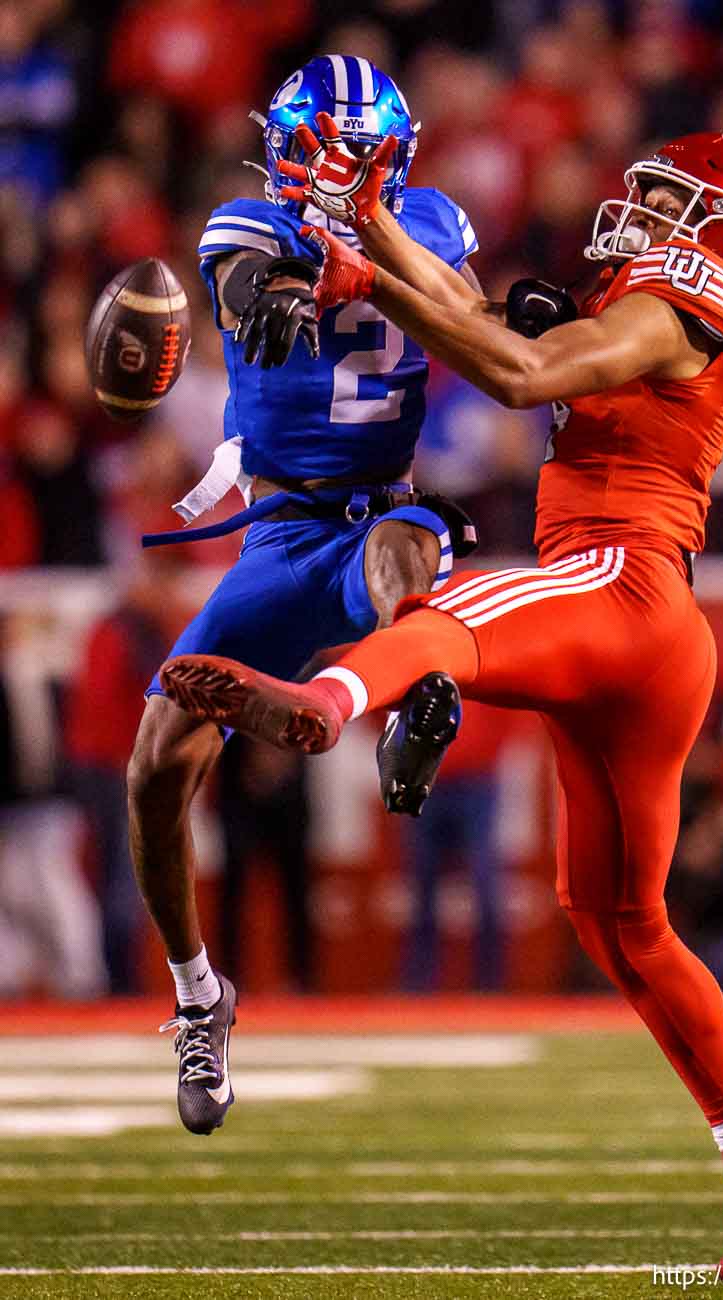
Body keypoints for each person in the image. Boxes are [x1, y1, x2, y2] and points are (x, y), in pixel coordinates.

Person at [161, 127, 723, 1276]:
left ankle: (323, 702)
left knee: (449, 615)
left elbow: (515, 374)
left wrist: (371, 255)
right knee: (622, 922)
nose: (640, 211)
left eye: (668, 200)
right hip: (655, 630)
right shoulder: (657, 290)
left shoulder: (694, 286)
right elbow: (492, 333)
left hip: (616, 579)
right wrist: (372, 236)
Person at [127, 56, 481, 1137]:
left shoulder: (428, 216)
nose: (335, 173)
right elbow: (245, 283)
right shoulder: (245, 219)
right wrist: (282, 294)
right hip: (281, 534)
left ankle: (402, 694)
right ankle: (199, 997)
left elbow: (461, 310)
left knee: (399, 561)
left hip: (386, 505)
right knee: (154, 769)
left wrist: (367, 244)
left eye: (354, 154)